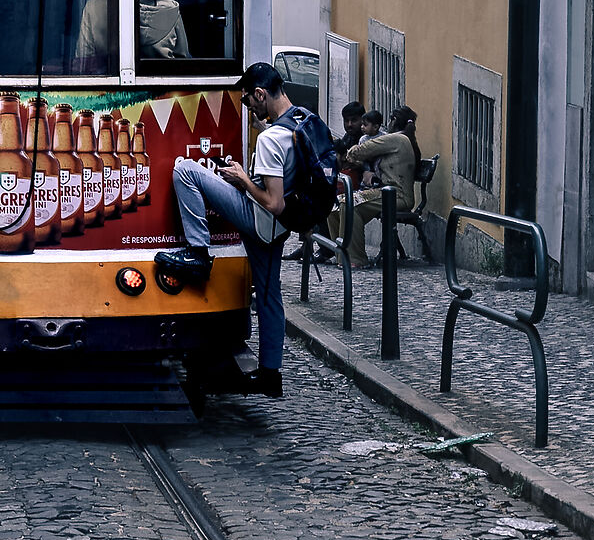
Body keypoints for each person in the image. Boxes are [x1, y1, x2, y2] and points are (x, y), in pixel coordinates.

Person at [158, 61, 329, 399]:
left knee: (186, 171)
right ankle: (270, 374)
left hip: (262, 220)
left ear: (261, 93)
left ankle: (198, 253)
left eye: (249, 101)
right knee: (269, 295)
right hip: (282, 228)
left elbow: (273, 201)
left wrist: (241, 180)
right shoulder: (303, 120)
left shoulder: (270, 141)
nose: (249, 107)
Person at [342, 108, 419, 262]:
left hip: (397, 196)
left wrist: (350, 153)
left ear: (394, 121)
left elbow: (362, 150)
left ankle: (355, 259)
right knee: (340, 203)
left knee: (350, 204)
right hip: (387, 192)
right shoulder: (402, 139)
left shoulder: (396, 139)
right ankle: (342, 256)